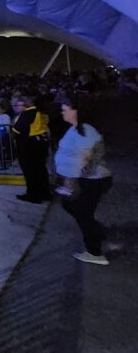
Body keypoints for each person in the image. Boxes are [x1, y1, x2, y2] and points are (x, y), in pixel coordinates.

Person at [55, 97, 113, 265]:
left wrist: (70, 181)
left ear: (76, 111)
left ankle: (94, 252)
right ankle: (97, 231)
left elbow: (86, 158)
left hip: (91, 180)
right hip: (87, 179)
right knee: (71, 206)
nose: (62, 112)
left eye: (65, 109)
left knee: (82, 214)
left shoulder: (85, 129)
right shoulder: (76, 129)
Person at [12, 94, 51, 203]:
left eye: (18, 105)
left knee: (30, 171)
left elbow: (17, 129)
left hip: (29, 146)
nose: (16, 107)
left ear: (26, 104)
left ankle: (33, 195)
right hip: (40, 144)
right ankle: (45, 193)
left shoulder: (28, 113)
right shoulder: (41, 112)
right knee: (41, 170)